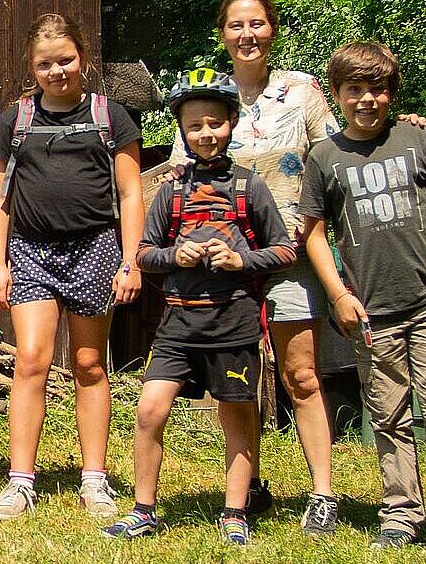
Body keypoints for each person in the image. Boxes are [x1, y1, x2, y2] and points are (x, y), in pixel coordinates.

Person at [300, 42, 426, 552]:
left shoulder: (417, 140)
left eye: (377, 89)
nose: (367, 99)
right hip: (369, 310)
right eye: (354, 89)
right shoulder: (325, 157)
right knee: (387, 413)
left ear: (392, 93)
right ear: (336, 95)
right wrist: (337, 293)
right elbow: (312, 231)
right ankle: (400, 512)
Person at [106, 70, 296, 545]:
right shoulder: (170, 190)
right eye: (194, 126)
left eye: (215, 123)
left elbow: (285, 249)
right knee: (150, 411)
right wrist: (175, 255)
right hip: (177, 323)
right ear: (181, 131)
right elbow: (145, 254)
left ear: (232, 122)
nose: (205, 134)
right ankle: (144, 509)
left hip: (233, 322)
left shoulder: (250, 187)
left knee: (235, 414)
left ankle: (236, 511)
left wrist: (240, 260)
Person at [0, 13, 143, 519]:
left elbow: (131, 192)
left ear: (83, 60)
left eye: (66, 60)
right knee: (31, 359)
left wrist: (131, 260)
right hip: (30, 250)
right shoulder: (16, 120)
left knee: (90, 365)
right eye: (45, 64)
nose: (57, 71)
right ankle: (21, 480)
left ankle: (94, 478)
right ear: (32, 68)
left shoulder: (109, 116)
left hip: (95, 249)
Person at [211, 0, 342, 531]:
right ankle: (251, 485)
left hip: (290, 254)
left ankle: (323, 494)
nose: (248, 35)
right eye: (237, 26)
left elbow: (338, 153)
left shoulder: (302, 90)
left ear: (273, 28)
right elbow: (177, 177)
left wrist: (403, 131)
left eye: (257, 24)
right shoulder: (207, 96)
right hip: (227, 265)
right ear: (223, 35)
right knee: (238, 378)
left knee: (302, 374)